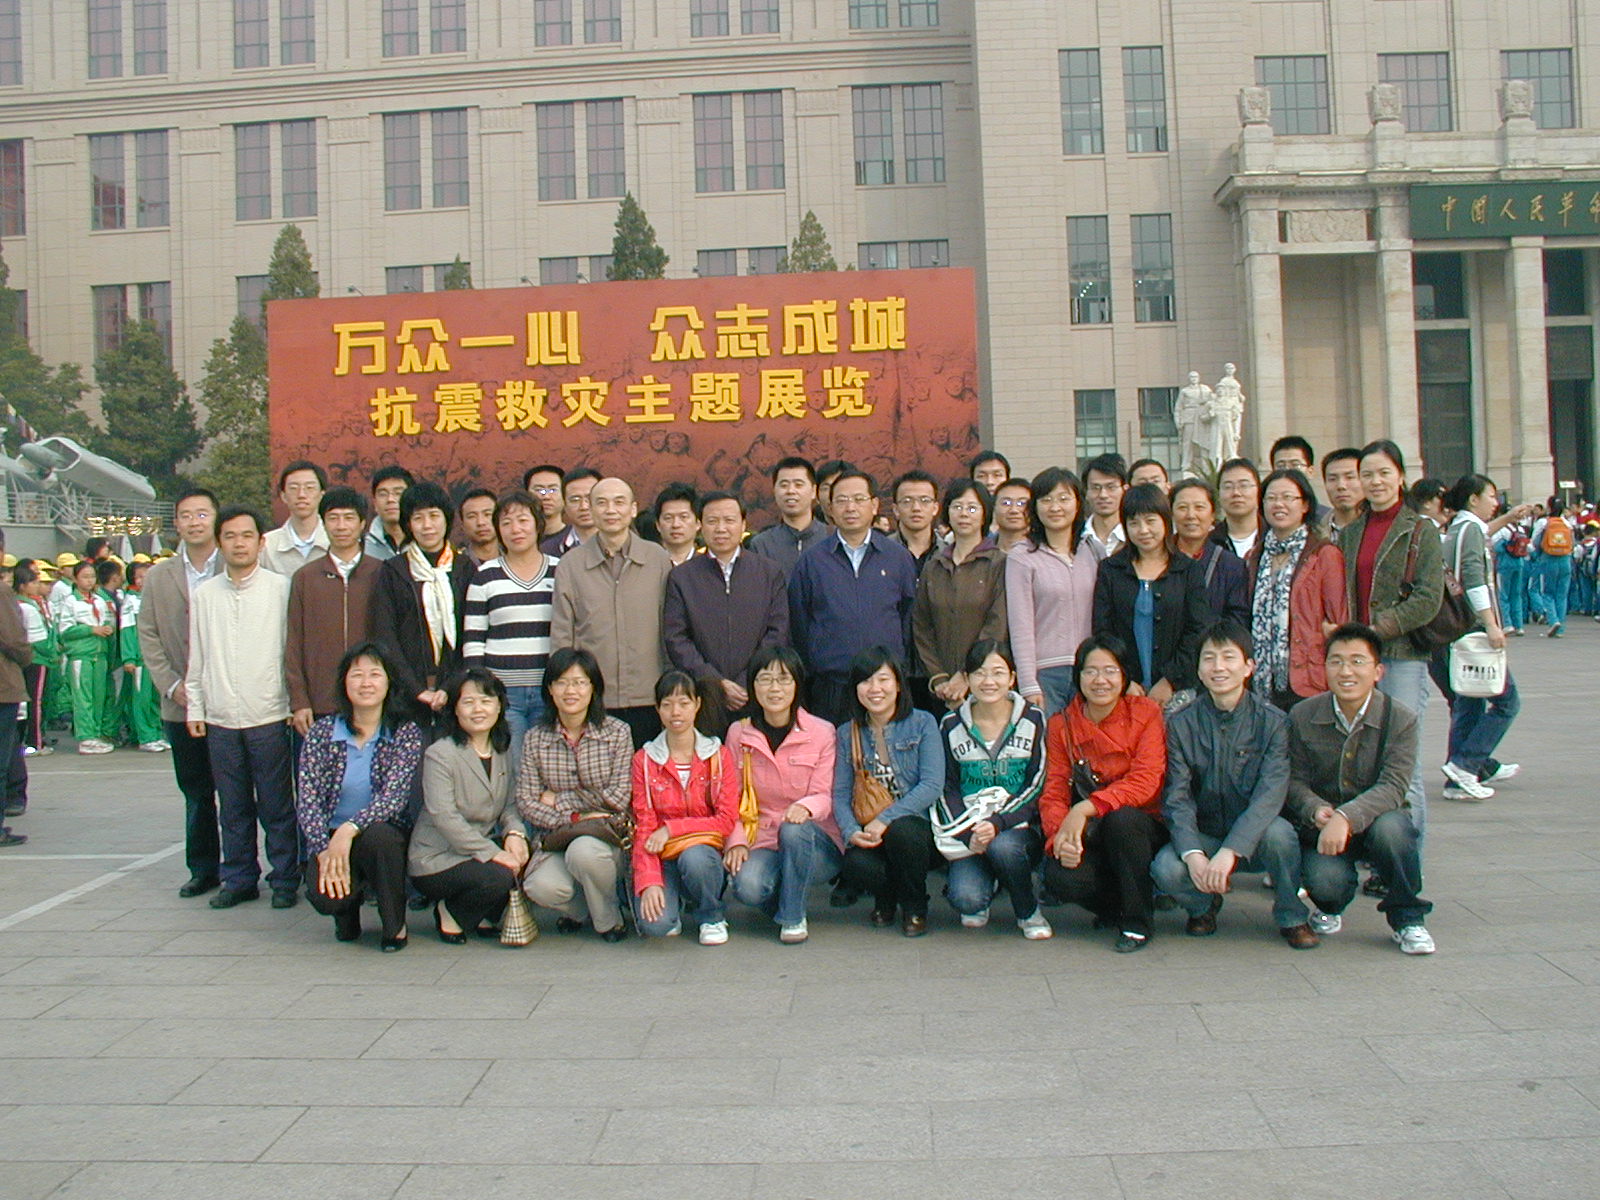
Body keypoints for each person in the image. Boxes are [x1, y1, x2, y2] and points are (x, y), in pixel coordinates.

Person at [1150, 621, 1315, 948]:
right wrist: (1193, 853)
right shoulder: (1181, 723)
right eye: (1209, 658)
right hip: (1207, 832)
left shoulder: (1273, 722)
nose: (1218, 667)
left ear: (1249, 667)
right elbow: (1177, 797)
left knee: (1281, 835)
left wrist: (1232, 849)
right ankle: (1203, 906)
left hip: (1257, 836)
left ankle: (1292, 915)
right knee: (1166, 868)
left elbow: (1270, 795)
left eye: (1228, 657)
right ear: (1199, 670)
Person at [1287, 624, 1436, 955]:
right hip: (1324, 825)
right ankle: (1330, 906)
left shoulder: (1400, 719)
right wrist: (1314, 808)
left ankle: (1408, 918)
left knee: (1394, 830)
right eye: (1336, 661)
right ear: (1325, 668)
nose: (1346, 671)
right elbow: (1293, 780)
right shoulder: (1302, 715)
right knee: (1325, 881)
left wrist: (1347, 817)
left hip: (1377, 820)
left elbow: (1395, 785)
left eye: (1357, 661)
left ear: (1378, 671)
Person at [185, 506, 300, 910]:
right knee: (232, 806)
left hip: (269, 714)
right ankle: (239, 878)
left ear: (260, 542)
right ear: (220, 543)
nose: (239, 543)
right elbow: (197, 654)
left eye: (247, 535)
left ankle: (285, 877)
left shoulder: (280, 589)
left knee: (276, 804)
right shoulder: (205, 595)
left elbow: (290, 652)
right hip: (220, 718)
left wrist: (293, 702)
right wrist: (195, 707)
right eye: (230, 536)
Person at [1340, 440, 1441, 845]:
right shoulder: (1351, 532)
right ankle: (1375, 852)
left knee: (1403, 764)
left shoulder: (1420, 529)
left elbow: (1428, 598)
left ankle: (1407, 863)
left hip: (1401, 656)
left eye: (1384, 473)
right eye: (1367, 474)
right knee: (1363, 760)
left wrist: (1379, 628)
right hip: (1357, 660)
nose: (1375, 481)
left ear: (1400, 476)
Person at [1039, 635, 1167, 952]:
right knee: (1059, 875)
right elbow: (1055, 788)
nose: (1100, 681)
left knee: (1122, 821)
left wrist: (1084, 808)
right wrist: (1059, 839)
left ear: (1124, 675)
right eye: (1091, 671)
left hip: (1141, 826)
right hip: (1093, 831)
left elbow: (1146, 780)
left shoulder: (1146, 713)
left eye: (1110, 671)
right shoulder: (1061, 725)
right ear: (1078, 676)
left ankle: (1137, 923)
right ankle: (1114, 908)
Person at [296, 642, 424, 951]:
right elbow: (308, 799)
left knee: (381, 839)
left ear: (389, 682)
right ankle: (345, 912)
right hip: (331, 836)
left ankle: (394, 925)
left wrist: (349, 829)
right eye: (357, 675)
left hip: (381, 832)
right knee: (325, 896)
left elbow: (394, 797)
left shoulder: (404, 732)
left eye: (375, 674)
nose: (366, 683)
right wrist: (323, 849)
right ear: (344, 682)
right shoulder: (322, 733)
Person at [722, 646, 843, 943]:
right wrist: (736, 841)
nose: (774, 688)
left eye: (784, 679)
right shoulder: (739, 733)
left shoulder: (822, 731)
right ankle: (788, 895)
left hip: (814, 839)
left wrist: (806, 808)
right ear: (753, 686)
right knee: (747, 886)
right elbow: (730, 797)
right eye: (765, 679)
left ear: (797, 684)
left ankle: (792, 917)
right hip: (763, 838)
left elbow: (826, 793)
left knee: (793, 830)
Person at [515, 647, 633, 941]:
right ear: (550, 689)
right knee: (539, 887)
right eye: (562, 683)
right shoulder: (535, 738)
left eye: (580, 682)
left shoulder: (617, 732)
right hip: (556, 837)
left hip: (606, 837)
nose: (571, 691)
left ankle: (609, 921)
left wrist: (560, 800)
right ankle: (583, 910)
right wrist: (575, 818)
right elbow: (527, 801)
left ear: (593, 688)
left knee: (584, 852)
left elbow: (619, 797)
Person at [139, 486, 224, 897]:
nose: (194, 522)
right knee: (196, 791)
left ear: (216, 519)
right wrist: (172, 686)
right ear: (176, 523)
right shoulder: (160, 576)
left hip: (229, 703)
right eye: (186, 515)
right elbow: (148, 634)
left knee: (242, 793)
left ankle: (246, 869)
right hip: (180, 705)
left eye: (202, 514)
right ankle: (203, 868)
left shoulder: (235, 564)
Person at [935, 641, 1050, 938]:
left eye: (998, 672)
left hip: (1018, 828)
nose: (988, 681)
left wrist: (998, 822)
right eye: (979, 673)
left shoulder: (1033, 718)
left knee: (1004, 848)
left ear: (1012, 678)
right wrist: (968, 832)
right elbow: (946, 787)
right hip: (971, 831)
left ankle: (1028, 911)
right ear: (967, 678)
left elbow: (1038, 781)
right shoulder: (950, 724)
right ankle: (991, 881)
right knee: (967, 900)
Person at [408, 668, 530, 943]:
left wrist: (515, 834)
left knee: (523, 853)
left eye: (486, 701)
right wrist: (494, 853)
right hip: (438, 857)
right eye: (468, 702)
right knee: (500, 874)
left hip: (477, 851)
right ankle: (450, 912)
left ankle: (483, 915)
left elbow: (510, 806)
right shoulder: (440, 754)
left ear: (499, 706)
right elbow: (445, 817)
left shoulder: (502, 750)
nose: (478, 709)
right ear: (455, 709)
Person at [788, 467, 918, 724]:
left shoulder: (898, 557)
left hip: (885, 686)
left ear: (874, 505)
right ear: (830, 508)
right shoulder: (812, 561)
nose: (850, 508)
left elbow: (907, 617)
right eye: (842, 500)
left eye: (859, 499)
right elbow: (800, 623)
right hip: (832, 687)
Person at [550, 477, 672, 746]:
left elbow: (671, 627)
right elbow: (562, 634)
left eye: (619, 502)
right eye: (602, 503)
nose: (611, 510)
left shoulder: (657, 559)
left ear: (633, 509)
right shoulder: (571, 564)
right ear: (592, 510)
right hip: (593, 697)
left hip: (650, 694)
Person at [830, 647, 943, 937]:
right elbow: (840, 794)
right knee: (855, 863)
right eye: (866, 681)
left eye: (883, 679)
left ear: (898, 684)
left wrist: (886, 819)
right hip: (871, 831)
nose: (875, 689)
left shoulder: (923, 723)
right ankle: (887, 897)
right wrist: (851, 831)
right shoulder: (847, 733)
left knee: (903, 832)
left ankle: (915, 906)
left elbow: (932, 785)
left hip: (918, 830)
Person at [631, 670, 739, 943]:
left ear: (697, 704)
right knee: (655, 925)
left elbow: (726, 819)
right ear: (657, 709)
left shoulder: (718, 755)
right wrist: (649, 881)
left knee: (695, 858)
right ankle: (674, 900)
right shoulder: (644, 760)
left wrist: (671, 829)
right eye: (667, 704)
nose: (675, 712)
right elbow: (644, 825)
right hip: (662, 856)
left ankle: (711, 915)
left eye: (683, 703)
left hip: (703, 853)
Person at [1432, 475, 1520, 801]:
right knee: (1506, 701)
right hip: (1470, 627)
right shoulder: (1469, 529)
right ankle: (1466, 764)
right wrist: (1491, 624)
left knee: (1468, 704)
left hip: (1455, 629)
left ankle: (1462, 775)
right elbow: (1473, 578)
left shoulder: (1459, 528)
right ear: (1473, 499)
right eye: (1491, 496)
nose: (1495, 502)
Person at [663, 490, 788, 716]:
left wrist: (747, 679)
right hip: (704, 694)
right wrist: (715, 681)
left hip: (757, 691)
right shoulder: (682, 577)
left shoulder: (769, 572)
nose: (721, 528)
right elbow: (677, 637)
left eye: (729, 520)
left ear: (743, 524)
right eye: (712, 521)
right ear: (700, 525)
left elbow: (777, 631)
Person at [1092, 484, 1211, 707]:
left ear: (1165, 521)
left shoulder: (1187, 570)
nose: (1143, 530)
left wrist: (1170, 680)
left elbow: (1198, 629)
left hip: (1177, 689)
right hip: (1123, 688)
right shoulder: (1111, 569)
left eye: (1150, 521)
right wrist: (1124, 678)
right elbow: (1103, 629)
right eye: (1134, 523)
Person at [461, 489, 558, 759]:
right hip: (503, 691)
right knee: (512, 763)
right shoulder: (485, 575)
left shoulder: (560, 570)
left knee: (547, 762)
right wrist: (481, 688)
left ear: (538, 525)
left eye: (523, 520)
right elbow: (474, 638)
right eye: (506, 523)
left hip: (549, 689)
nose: (516, 529)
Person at [371, 481, 473, 728]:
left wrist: (450, 687)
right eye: (418, 518)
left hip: (458, 693)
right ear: (408, 524)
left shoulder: (465, 568)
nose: (427, 525)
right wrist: (416, 689)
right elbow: (385, 635)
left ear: (447, 519)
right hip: (406, 696)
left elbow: (473, 633)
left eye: (434, 516)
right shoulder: (394, 570)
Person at [1245, 469, 1348, 711]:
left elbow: (1338, 620)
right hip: (1262, 679)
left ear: (1305, 505)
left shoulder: (1324, 554)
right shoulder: (1256, 556)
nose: (1278, 504)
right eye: (1271, 498)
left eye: (1287, 497)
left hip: (1308, 676)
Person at [286, 486, 382, 734]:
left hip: (374, 703)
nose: (341, 526)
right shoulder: (305, 577)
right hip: (320, 702)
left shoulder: (382, 573)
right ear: (323, 523)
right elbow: (294, 642)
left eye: (349, 518)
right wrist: (299, 701)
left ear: (362, 524)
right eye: (333, 518)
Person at [1006, 467, 1100, 717]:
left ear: (1078, 503)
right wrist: (1028, 682)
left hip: (1091, 668)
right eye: (1046, 500)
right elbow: (1020, 625)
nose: (1055, 507)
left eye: (1063, 498)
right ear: (1035, 507)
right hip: (1046, 674)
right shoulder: (1022, 556)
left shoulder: (1092, 551)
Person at [913, 479, 1008, 709]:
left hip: (985, 683)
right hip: (940, 688)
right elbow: (921, 625)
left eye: (972, 508)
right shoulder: (934, 565)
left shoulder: (998, 563)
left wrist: (967, 674)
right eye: (957, 507)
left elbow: (997, 623)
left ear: (985, 515)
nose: (964, 514)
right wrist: (938, 677)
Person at [1170, 478, 1249, 625]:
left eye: (1199, 507)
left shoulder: (1232, 566)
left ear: (1212, 514)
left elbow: (1238, 620)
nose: (1191, 515)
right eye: (1182, 507)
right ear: (1172, 514)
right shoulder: (1157, 559)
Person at [57, 559, 116, 753]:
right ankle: (85, 737)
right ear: (75, 579)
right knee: (83, 698)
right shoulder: (70, 602)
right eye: (85, 577)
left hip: (100, 654)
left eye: (92, 576)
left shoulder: (99, 600)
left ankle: (95, 733)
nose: (89, 581)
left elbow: (107, 621)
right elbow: (65, 631)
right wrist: (91, 630)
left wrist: (107, 629)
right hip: (81, 655)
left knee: (99, 697)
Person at [748, 456, 831, 577]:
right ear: (774, 490)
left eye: (798, 485)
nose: (791, 491)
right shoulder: (762, 545)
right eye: (784, 485)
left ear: (814, 491)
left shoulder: (833, 538)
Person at [116, 560, 167, 752]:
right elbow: (127, 631)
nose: (144, 579)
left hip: (155, 658)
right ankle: (145, 736)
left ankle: (156, 733)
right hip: (139, 658)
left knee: (154, 698)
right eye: (140, 576)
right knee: (141, 699)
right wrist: (129, 657)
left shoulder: (155, 599)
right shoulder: (131, 602)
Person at [0, 531, 30, 846]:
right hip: (2, 686)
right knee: (2, 755)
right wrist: (25, 657)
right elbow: (14, 639)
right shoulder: (2, 593)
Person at [259, 460, 329, 576]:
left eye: (309, 487)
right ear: (283, 496)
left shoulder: (336, 540)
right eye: (293, 488)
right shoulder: (267, 546)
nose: (301, 495)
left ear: (322, 494)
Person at [15, 562, 56, 757]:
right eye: (33, 582)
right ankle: (35, 742)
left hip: (24, 658)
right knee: (35, 701)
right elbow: (38, 640)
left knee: (25, 702)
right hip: (37, 659)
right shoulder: (28, 608)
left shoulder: (21, 604)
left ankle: (23, 741)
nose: (37, 585)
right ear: (22, 586)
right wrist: (52, 652)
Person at [1528, 497, 1576, 637]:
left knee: (1547, 593)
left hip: (1548, 559)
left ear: (1549, 508)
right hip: (1565, 560)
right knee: (1562, 595)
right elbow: (1572, 544)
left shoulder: (1544, 523)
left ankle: (1553, 620)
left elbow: (1535, 543)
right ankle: (1560, 628)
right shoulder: (1567, 524)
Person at [540, 467, 601, 559]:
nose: (584, 507)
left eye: (590, 498)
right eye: (575, 500)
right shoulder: (547, 552)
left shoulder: (622, 544)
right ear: (564, 504)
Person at [1269, 436, 1331, 526]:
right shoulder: (1264, 520)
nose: (1287, 471)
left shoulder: (1327, 519)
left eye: (1295, 465)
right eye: (1280, 466)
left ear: (1310, 472)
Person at [890, 469, 941, 574]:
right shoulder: (881, 552)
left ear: (935, 508)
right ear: (896, 510)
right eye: (907, 501)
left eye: (925, 500)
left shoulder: (949, 553)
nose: (916, 508)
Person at [1080, 454, 1127, 558]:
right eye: (1096, 488)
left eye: (1111, 487)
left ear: (1125, 490)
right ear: (1086, 492)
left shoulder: (1135, 536)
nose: (1103, 495)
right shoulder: (1075, 537)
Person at [1213, 457, 1261, 558]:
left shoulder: (1274, 536)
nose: (1236, 493)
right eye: (1228, 487)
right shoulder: (1209, 544)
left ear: (1258, 491)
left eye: (1244, 485)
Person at [365, 465, 414, 561]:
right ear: (375, 503)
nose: (390, 499)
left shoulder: (426, 542)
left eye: (398, 493)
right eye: (383, 494)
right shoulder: (362, 548)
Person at [651, 481, 701, 567]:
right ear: (658, 525)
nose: (676, 525)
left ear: (698, 523)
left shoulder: (711, 566)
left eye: (683, 517)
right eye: (668, 518)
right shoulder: (648, 564)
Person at [1320, 448, 1363, 539]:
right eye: (1332, 479)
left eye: (1350, 477)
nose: (1341, 486)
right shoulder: (1314, 534)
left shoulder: (1381, 528)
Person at [522, 463, 567, 544]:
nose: (546, 496)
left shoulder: (576, 538)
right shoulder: (519, 540)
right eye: (539, 490)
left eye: (553, 490)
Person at [457, 487, 500, 568]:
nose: (480, 522)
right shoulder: (456, 565)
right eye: (472, 516)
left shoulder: (516, 558)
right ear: (462, 525)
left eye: (487, 514)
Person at [992, 478, 1032, 553]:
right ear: (994, 507)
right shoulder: (981, 550)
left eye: (1022, 503)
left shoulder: (1044, 553)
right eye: (1006, 503)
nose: (1014, 510)